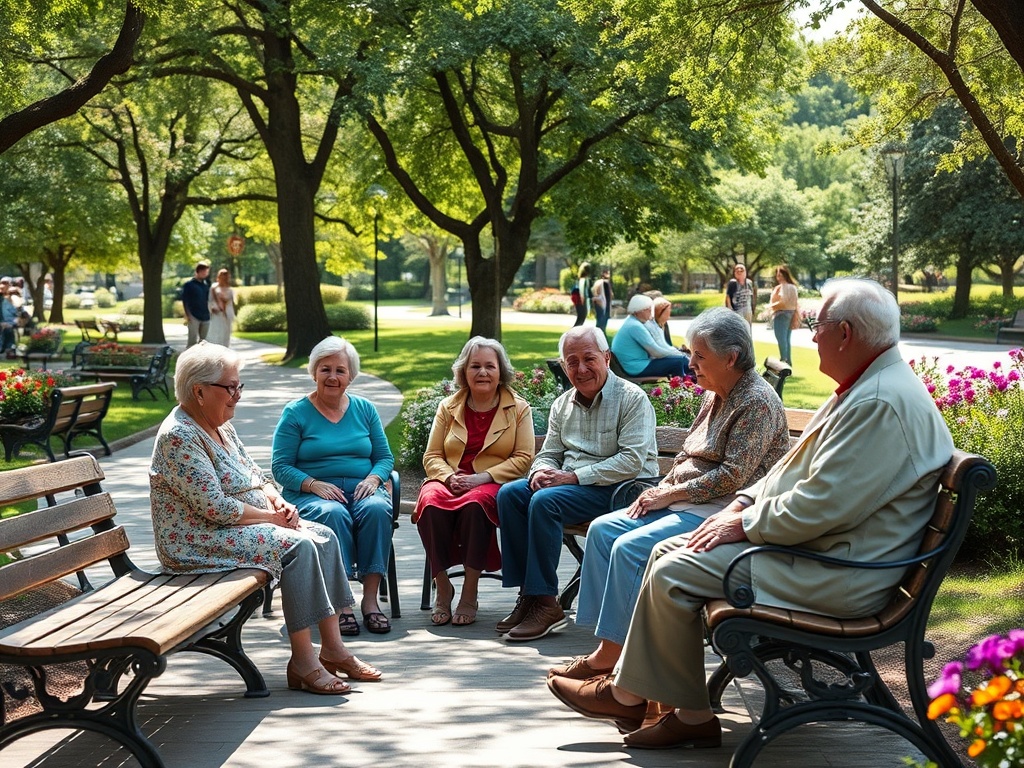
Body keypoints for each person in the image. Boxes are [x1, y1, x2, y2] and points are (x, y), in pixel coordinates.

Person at [547, 278, 955, 750]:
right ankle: (677, 708)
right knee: (665, 555)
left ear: (845, 333)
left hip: (841, 572)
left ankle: (635, 696)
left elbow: (820, 506)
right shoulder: (869, 388)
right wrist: (743, 504)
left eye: (817, 324)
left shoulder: (879, 401)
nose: (810, 333)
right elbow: (790, 473)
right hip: (825, 551)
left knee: (672, 566)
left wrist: (739, 521)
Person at [549, 307, 790, 681]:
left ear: (732, 357)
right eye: (690, 353)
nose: (689, 363)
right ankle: (613, 643)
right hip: (685, 498)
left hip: (719, 511)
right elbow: (689, 452)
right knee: (601, 531)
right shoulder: (718, 393)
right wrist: (663, 489)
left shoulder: (755, 401)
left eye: (699, 355)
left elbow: (732, 476)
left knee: (628, 548)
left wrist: (667, 493)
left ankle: (610, 657)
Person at [149, 342, 382, 695]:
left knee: (323, 535)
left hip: (237, 526)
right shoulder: (180, 436)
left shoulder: (220, 425)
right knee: (300, 546)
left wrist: (276, 501)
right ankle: (303, 661)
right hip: (197, 539)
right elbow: (215, 508)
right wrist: (272, 518)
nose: (237, 395)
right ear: (198, 391)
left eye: (239, 386)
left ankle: (333, 649)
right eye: (230, 387)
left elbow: (257, 474)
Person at [496, 326, 659, 642]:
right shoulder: (562, 405)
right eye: (572, 362)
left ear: (606, 358)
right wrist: (540, 472)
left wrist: (569, 478)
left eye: (589, 359)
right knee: (511, 494)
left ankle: (546, 604)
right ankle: (528, 595)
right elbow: (550, 453)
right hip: (573, 488)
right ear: (564, 365)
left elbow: (631, 462)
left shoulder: (631, 399)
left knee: (546, 502)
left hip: (622, 490)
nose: (581, 369)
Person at [271, 336, 397, 635]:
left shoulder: (365, 409)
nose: (332, 376)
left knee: (379, 509)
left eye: (340, 370)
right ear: (314, 372)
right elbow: (280, 466)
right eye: (325, 369)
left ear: (350, 376)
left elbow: (384, 457)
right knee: (333, 514)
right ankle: (342, 606)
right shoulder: (295, 413)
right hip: (312, 494)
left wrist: (374, 478)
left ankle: (370, 602)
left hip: (362, 487)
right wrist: (313, 484)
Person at [414, 337, 535, 627]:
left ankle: (470, 589)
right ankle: (442, 585)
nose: (482, 373)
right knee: (429, 502)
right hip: (449, 478)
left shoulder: (518, 408)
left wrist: (481, 478)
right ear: (464, 372)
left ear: (500, 371)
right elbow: (432, 455)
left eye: (489, 366)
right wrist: (448, 476)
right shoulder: (448, 406)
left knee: (475, 504)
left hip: (490, 481)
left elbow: (523, 458)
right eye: (475, 366)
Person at [610, 294, 690, 379]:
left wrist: (678, 354)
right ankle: (684, 387)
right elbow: (656, 352)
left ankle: (690, 385)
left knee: (682, 360)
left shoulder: (632, 322)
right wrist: (679, 354)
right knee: (679, 362)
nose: (650, 312)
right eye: (648, 310)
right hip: (636, 367)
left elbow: (658, 347)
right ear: (638, 311)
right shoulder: (635, 326)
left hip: (636, 364)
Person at [768, 264, 799, 364]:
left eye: (780, 275)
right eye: (778, 275)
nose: (778, 277)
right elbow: (794, 303)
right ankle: (788, 362)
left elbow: (783, 301)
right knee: (786, 339)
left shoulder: (784, 287)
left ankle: (784, 361)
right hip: (790, 313)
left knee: (781, 339)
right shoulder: (792, 287)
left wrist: (771, 306)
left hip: (781, 314)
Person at [182, 261, 211, 348]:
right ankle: (188, 360)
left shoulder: (206, 285)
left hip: (206, 316)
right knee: (192, 341)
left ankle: (201, 360)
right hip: (193, 316)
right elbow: (185, 300)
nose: (205, 274)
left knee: (204, 342)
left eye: (206, 272)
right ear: (198, 271)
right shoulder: (189, 285)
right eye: (203, 271)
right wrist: (188, 315)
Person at [207, 268, 236, 347]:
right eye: (222, 276)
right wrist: (213, 308)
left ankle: (225, 349)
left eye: (225, 276)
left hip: (227, 313)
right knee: (216, 332)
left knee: (226, 333)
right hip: (217, 313)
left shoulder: (230, 289)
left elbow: (231, 303)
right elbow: (210, 301)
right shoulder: (214, 288)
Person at [724, 263, 755, 330]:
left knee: (748, 330)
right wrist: (730, 309)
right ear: (734, 273)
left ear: (745, 272)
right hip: (737, 310)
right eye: (737, 270)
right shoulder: (733, 282)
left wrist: (753, 308)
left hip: (748, 310)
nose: (739, 272)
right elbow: (728, 296)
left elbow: (751, 296)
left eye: (742, 270)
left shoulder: (749, 282)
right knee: (738, 330)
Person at [573, 263, 591, 327]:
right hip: (581, 300)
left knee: (581, 317)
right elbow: (582, 290)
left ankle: (575, 331)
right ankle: (574, 331)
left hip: (580, 300)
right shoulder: (584, 279)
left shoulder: (581, 279)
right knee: (581, 316)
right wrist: (582, 300)